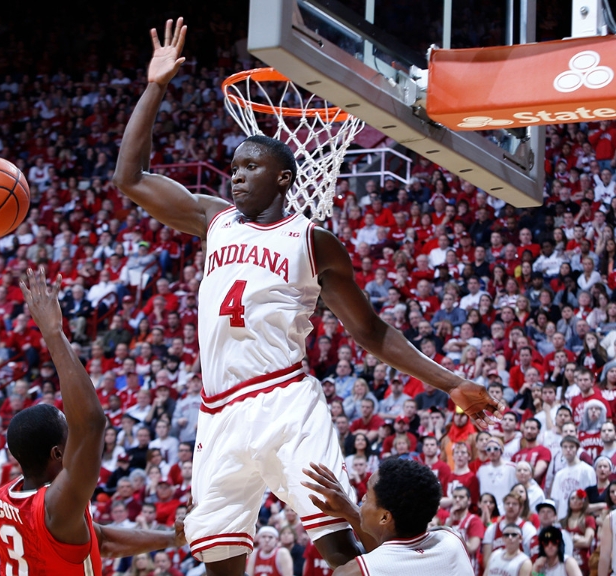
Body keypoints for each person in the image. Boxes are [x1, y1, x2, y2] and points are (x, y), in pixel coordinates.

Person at [112, 18, 502, 576]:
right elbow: (130, 177)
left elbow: (373, 333)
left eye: (251, 167)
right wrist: (154, 86)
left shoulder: (313, 243)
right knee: (220, 559)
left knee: (341, 545)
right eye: (234, 167)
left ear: (285, 178)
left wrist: (450, 381)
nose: (237, 177)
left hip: (285, 402)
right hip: (218, 412)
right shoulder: (213, 218)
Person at [0, 269, 185, 575]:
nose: (74, 433)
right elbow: (91, 424)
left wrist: (172, 539)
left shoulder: (0, 499)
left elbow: (100, 541)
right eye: (68, 431)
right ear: (57, 453)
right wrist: (53, 333)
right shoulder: (55, 507)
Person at [301, 459, 474, 575]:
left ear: (385, 518)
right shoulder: (452, 540)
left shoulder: (355, 572)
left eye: (368, 496)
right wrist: (351, 513)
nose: (362, 499)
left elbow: (383, 558)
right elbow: (394, 553)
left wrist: (353, 513)